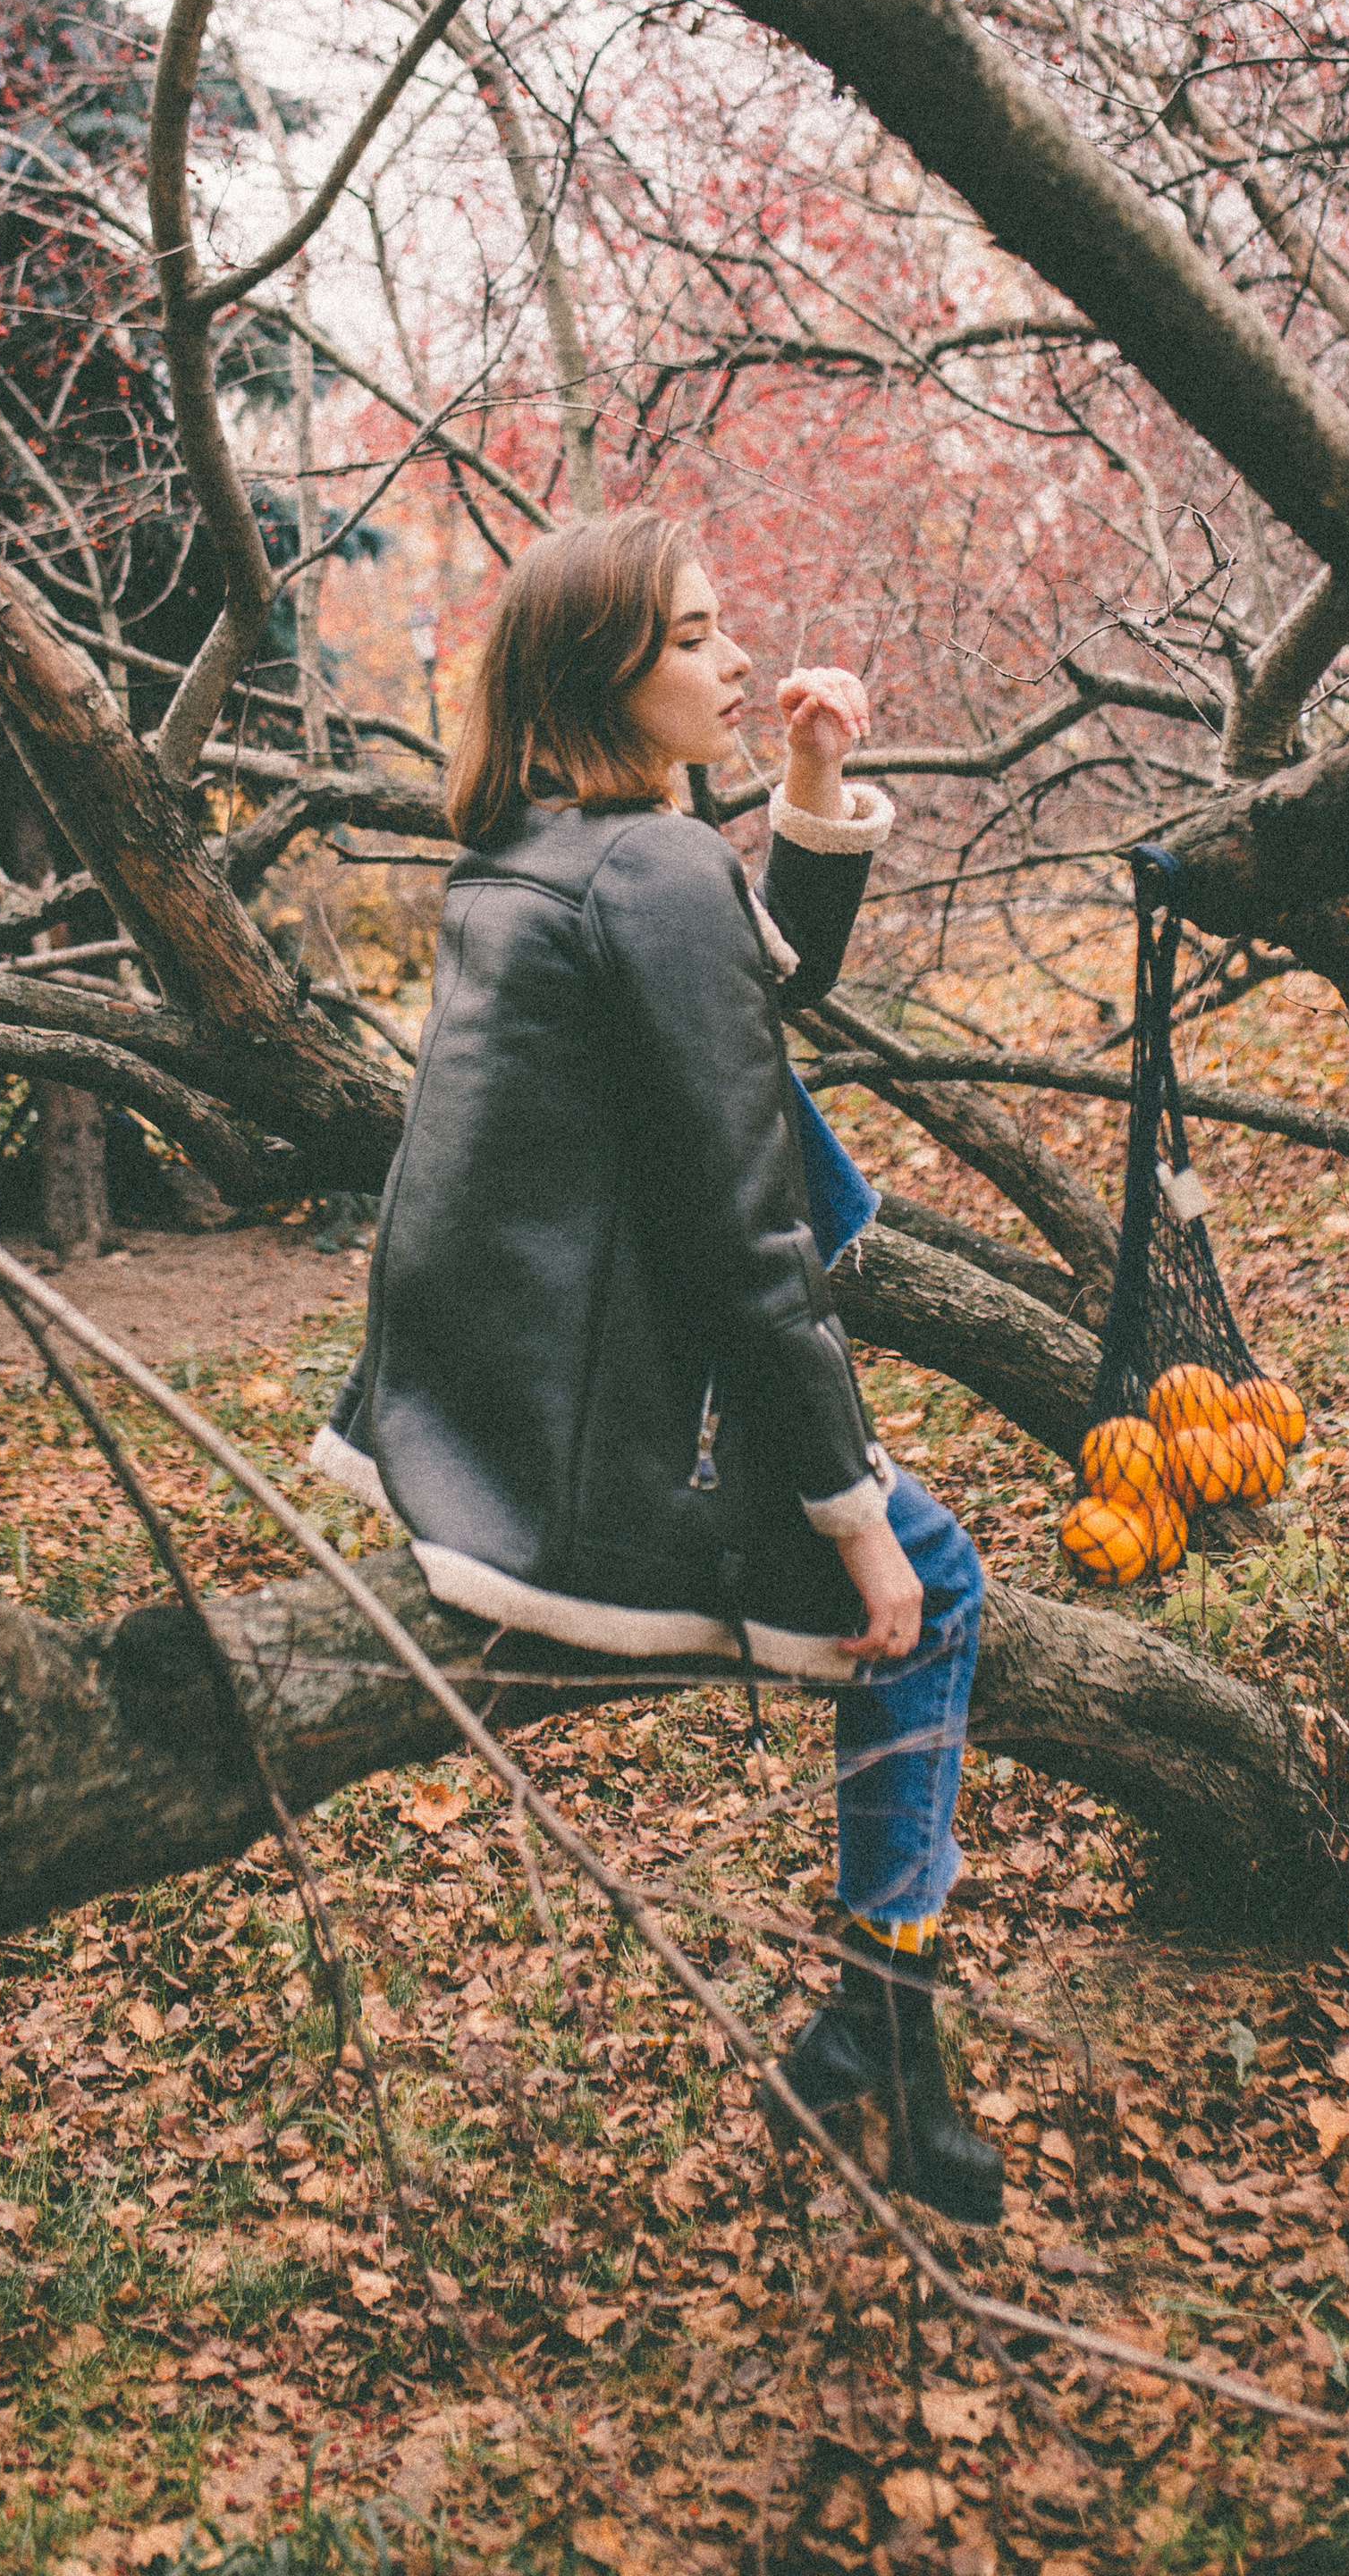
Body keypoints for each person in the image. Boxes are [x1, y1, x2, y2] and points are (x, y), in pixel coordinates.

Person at [316, 512, 1000, 2225]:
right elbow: (735, 1231)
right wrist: (846, 1506)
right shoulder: (653, 872)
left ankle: (876, 2037)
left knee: (787, 1131)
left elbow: (744, 1016)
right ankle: (885, 2022)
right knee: (942, 1579)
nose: (738, 658)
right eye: (697, 639)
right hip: (576, 1478)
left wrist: (810, 791)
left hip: (464, 1420)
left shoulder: (537, 857)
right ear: (607, 674)